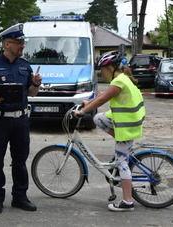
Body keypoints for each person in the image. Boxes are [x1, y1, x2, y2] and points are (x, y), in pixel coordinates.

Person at [0, 23, 42, 214]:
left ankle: (20, 197)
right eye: (18, 43)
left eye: (23, 42)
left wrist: (36, 84)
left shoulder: (25, 66)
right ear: (7, 44)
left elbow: (32, 93)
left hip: (20, 120)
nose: (22, 46)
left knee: (20, 161)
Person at [74, 51, 145, 212]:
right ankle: (121, 142)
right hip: (127, 121)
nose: (102, 74)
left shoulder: (119, 81)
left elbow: (102, 99)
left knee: (121, 162)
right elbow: (102, 96)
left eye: (102, 70)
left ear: (111, 68)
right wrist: (88, 102)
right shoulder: (122, 79)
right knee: (98, 118)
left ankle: (128, 202)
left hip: (127, 125)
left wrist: (83, 111)